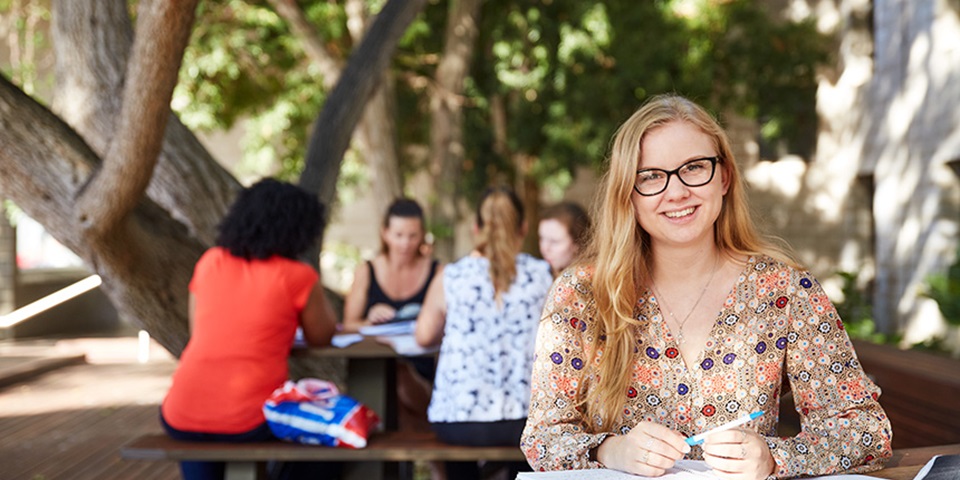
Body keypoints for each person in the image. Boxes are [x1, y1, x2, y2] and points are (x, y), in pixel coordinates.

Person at [520, 94, 893, 479]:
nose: (677, 192)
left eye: (694, 168)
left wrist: (774, 458)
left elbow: (866, 431)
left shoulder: (785, 290)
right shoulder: (580, 295)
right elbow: (543, 437)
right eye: (650, 176)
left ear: (725, 176)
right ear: (628, 193)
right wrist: (611, 450)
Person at [160, 178, 338, 480]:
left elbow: (199, 330)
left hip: (180, 413)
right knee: (330, 438)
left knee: (202, 437)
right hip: (248, 419)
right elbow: (321, 336)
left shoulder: (210, 261)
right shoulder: (297, 276)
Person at [415, 187, 554, 480]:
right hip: (525, 419)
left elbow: (423, 336)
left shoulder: (451, 276)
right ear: (523, 228)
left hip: (459, 419)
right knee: (529, 448)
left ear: (476, 228)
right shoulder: (542, 274)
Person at [341, 198, 440, 435]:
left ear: (422, 235)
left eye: (412, 235)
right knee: (397, 382)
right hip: (374, 367)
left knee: (403, 382)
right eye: (398, 235)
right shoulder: (367, 270)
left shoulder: (437, 271)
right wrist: (370, 319)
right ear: (385, 234)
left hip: (422, 366)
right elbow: (347, 325)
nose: (405, 243)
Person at [538, 201, 591, 275]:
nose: (544, 248)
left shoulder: (591, 280)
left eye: (554, 241)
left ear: (578, 242)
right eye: (541, 238)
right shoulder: (539, 274)